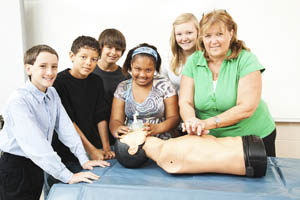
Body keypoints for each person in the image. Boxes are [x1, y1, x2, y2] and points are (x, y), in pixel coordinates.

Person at [0, 45, 109, 200]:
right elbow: (36, 145)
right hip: (16, 167)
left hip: (37, 165)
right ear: (29, 69)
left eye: (54, 67)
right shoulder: (18, 101)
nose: (50, 72)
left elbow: (65, 128)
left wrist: (84, 160)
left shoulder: (52, 92)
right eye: (43, 66)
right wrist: (68, 176)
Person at [179, 9, 276, 157]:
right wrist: (191, 121)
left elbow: (246, 107)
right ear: (202, 38)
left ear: (231, 33)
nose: (213, 41)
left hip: (252, 137)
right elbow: (185, 102)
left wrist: (206, 124)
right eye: (208, 36)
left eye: (219, 34)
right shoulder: (193, 61)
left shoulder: (246, 60)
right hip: (210, 139)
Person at [45, 36, 114, 196]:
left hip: (91, 149)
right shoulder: (59, 82)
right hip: (65, 152)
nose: (88, 63)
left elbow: (100, 115)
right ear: (72, 56)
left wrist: (104, 147)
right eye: (83, 57)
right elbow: (68, 123)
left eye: (94, 59)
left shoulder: (96, 81)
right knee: (63, 193)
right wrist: (91, 150)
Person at [114, 130, 267, 178]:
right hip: (250, 156)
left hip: (248, 149)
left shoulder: (168, 148)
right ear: (133, 149)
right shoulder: (168, 159)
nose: (130, 131)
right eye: (126, 137)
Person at [110, 43, 180, 140]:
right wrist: (117, 129)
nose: (142, 75)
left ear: (155, 68)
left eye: (148, 70)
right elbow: (115, 119)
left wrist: (158, 128)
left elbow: (174, 117)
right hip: (132, 139)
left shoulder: (164, 85)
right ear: (131, 65)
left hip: (161, 140)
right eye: (137, 69)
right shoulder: (123, 87)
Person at [93, 28, 130, 147]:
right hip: (92, 133)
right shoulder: (89, 71)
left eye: (118, 49)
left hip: (116, 133)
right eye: (109, 47)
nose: (113, 52)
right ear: (100, 48)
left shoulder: (125, 77)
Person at [160, 13, 201, 93]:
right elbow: (163, 89)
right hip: (175, 104)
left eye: (189, 33)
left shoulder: (207, 56)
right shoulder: (167, 57)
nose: (184, 38)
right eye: (179, 34)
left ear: (198, 33)